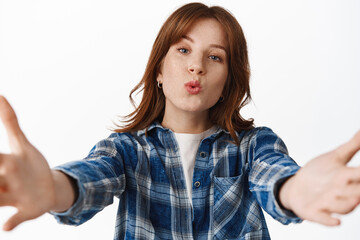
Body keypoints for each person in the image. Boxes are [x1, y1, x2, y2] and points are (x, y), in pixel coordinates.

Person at [0, 2, 359, 239]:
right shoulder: (125, 150)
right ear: (159, 69)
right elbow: (90, 178)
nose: (196, 66)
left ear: (228, 81)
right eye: (183, 50)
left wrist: (295, 190)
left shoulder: (253, 146)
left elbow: (276, 176)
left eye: (215, 57)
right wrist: (52, 188)